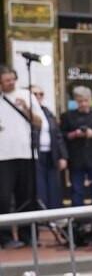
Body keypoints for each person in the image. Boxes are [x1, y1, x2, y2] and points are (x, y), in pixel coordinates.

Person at [62, 87, 92, 227]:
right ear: (75, 102)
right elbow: (62, 136)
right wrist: (74, 134)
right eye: (80, 101)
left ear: (91, 100)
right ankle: (78, 225)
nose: (83, 104)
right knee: (76, 192)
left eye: (85, 101)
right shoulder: (67, 116)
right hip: (76, 159)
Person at [0, 69, 38, 247]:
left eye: (13, 79)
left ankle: (27, 235)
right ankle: (5, 237)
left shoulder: (26, 95)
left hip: (26, 153)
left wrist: (26, 108)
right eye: (6, 80)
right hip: (3, 155)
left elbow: (39, 122)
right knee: (4, 198)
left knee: (27, 196)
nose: (11, 83)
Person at [29, 86, 66, 214]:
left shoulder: (47, 112)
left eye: (41, 93)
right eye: (35, 94)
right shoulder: (26, 112)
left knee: (54, 184)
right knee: (40, 186)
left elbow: (58, 135)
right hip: (35, 154)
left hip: (51, 152)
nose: (38, 96)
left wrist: (62, 156)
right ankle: (42, 215)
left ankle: (55, 215)